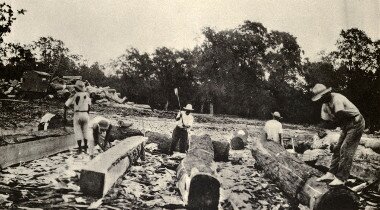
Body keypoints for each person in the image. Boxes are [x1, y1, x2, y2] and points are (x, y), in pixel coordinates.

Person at [311, 84, 365, 186]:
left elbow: (339, 117)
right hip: (345, 124)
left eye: (322, 97)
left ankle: (341, 178)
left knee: (345, 149)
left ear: (327, 93)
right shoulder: (325, 104)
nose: (321, 100)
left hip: (355, 123)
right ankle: (331, 173)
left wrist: (332, 124)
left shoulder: (337, 99)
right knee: (337, 148)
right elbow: (326, 119)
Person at [64, 80, 92, 154]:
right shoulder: (87, 95)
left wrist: (65, 117)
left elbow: (66, 105)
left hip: (77, 114)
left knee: (78, 131)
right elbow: (89, 106)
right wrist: (87, 114)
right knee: (85, 131)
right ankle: (85, 148)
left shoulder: (74, 95)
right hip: (85, 114)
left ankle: (80, 149)